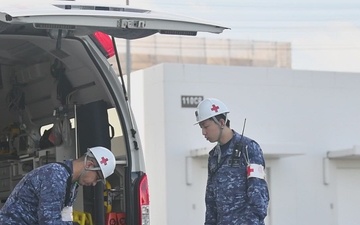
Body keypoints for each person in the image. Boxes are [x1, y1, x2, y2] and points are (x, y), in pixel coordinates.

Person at [195, 98, 269, 225]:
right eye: (201, 127)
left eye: (206, 126)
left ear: (222, 122)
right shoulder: (214, 156)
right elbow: (211, 201)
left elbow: (259, 195)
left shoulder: (248, 148)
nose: (203, 132)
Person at [0, 146, 116, 225]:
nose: (94, 183)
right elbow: (48, 220)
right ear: (89, 165)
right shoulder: (55, 176)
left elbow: (65, 216)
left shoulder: (72, 184)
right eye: (97, 178)